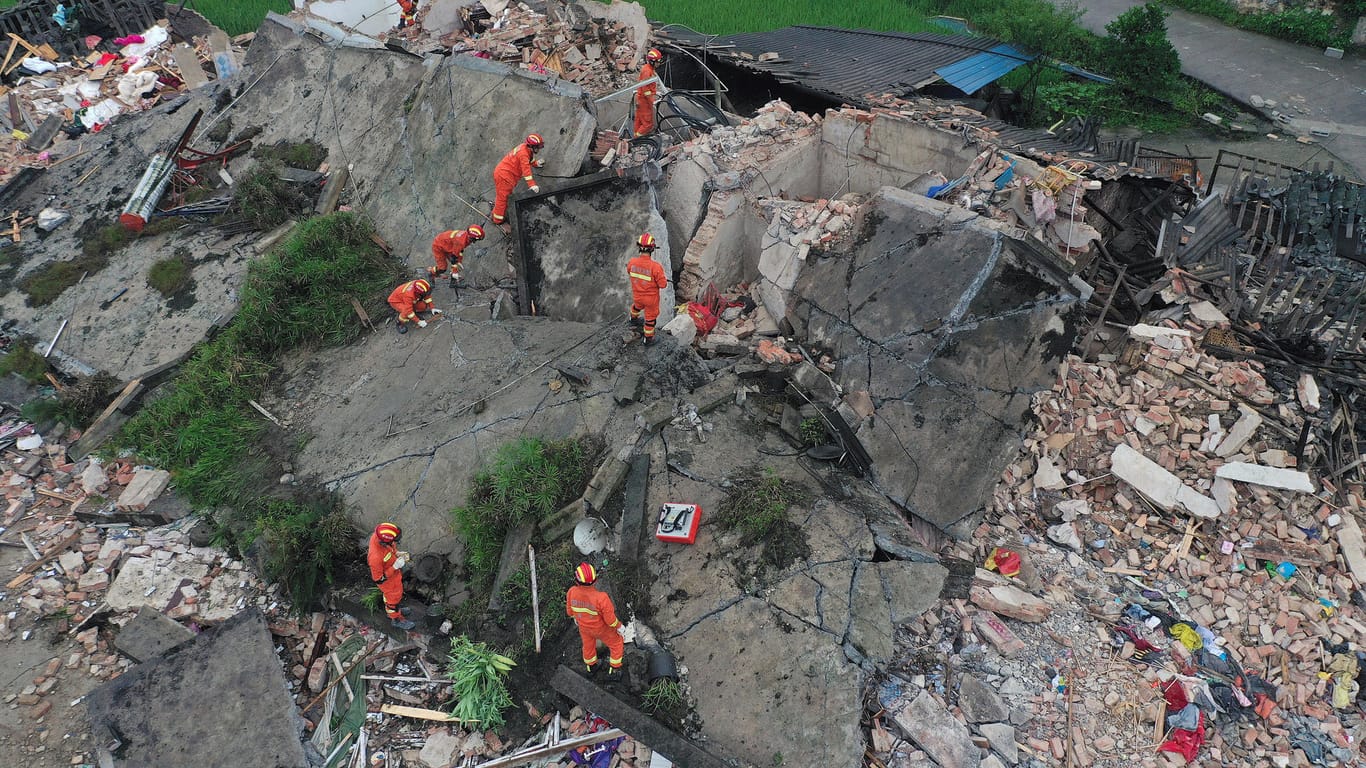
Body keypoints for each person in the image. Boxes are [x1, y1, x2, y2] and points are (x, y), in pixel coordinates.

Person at [566, 562, 624, 676]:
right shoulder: (601, 598)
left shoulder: (571, 592)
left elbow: (569, 611)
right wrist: (620, 626)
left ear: (576, 580)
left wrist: (576, 617)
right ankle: (614, 670)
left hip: (584, 628)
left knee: (588, 646)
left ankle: (591, 667)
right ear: (595, 580)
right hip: (601, 629)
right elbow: (610, 621)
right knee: (616, 643)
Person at [490, 133, 544, 232]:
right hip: (504, 177)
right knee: (503, 199)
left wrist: (536, 163)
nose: (538, 149)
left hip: (504, 174)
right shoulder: (523, 153)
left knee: (502, 196)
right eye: (537, 147)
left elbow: (529, 159)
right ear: (531, 146)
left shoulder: (525, 148)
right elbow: (526, 171)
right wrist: (532, 185)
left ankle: (496, 211)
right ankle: (497, 220)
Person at [368, 522, 415, 630]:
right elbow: (378, 579)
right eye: (393, 540)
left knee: (395, 598)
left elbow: (390, 549)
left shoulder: (382, 537)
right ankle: (396, 619)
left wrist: (397, 553)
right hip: (388, 583)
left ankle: (396, 610)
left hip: (394, 577)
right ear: (385, 541)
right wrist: (394, 566)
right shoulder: (375, 557)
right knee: (392, 600)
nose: (395, 542)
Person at [627, 233, 668, 346]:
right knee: (650, 319)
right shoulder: (656, 267)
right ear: (652, 249)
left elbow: (630, 272)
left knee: (636, 306)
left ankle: (632, 320)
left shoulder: (632, 262)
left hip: (637, 296)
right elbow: (663, 285)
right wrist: (662, 278)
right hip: (651, 299)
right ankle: (648, 339)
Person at [634, 48, 662, 137]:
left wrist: (655, 92)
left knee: (639, 121)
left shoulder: (648, 69)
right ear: (652, 61)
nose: (659, 63)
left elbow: (649, 86)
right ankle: (637, 138)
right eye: (657, 61)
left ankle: (636, 136)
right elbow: (645, 89)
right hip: (644, 101)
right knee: (647, 124)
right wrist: (652, 101)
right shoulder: (647, 71)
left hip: (641, 100)